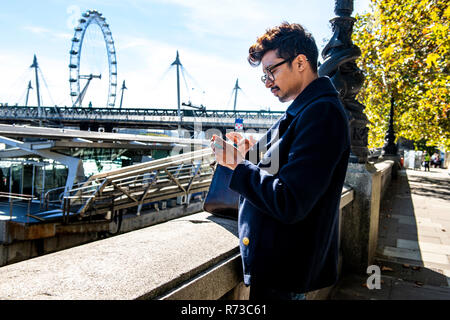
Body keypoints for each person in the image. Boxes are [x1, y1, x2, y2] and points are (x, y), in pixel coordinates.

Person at [210, 22, 350, 300]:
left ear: (300, 62)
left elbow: (290, 201)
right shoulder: (307, 110)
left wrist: (238, 165)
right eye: (264, 76)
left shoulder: (322, 114)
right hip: (280, 264)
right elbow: (284, 169)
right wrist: (252, 154)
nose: (268, 82)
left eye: (272, 71)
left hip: (285, 268)